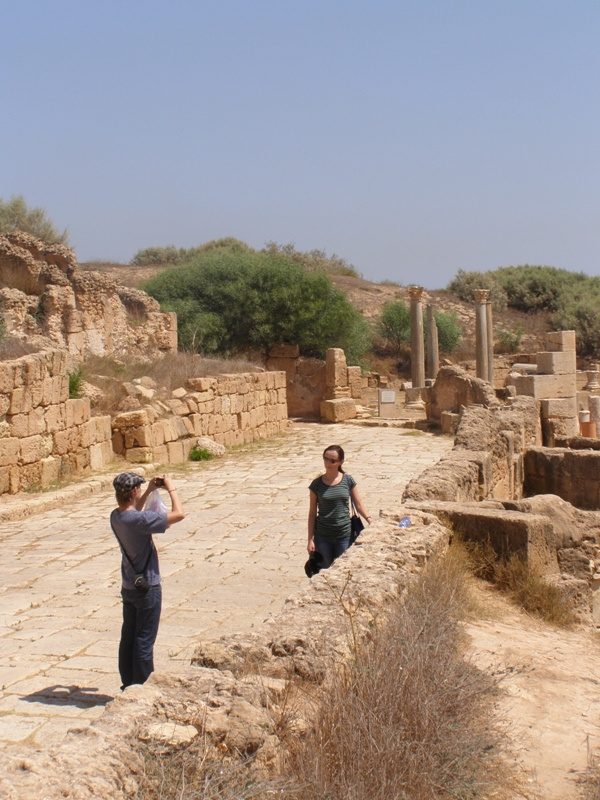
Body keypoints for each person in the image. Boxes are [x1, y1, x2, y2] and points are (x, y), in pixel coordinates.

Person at [110, 472, 185, 690]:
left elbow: (134, 511)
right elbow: (179, 514)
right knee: (144, 641)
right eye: (140, 489)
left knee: (129, 638)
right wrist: (171, 488)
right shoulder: (140, 521)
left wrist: (151, 490)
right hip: (148, 588)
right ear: (134, 492)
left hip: (129, 586)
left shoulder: (116, 517)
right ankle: (142, 689)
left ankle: (128, 684)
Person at [307, 445, 372, 570]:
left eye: (332, 461)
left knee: (343, 570)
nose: (328, 463)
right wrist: (310, 539)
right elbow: (312, 513)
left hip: (344, 534)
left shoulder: (347, 480)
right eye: (326, 459)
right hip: (322, 536)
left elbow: (358, 504)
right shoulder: (316, 485)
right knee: (324, 571)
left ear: (340, 462)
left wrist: (369, 519)